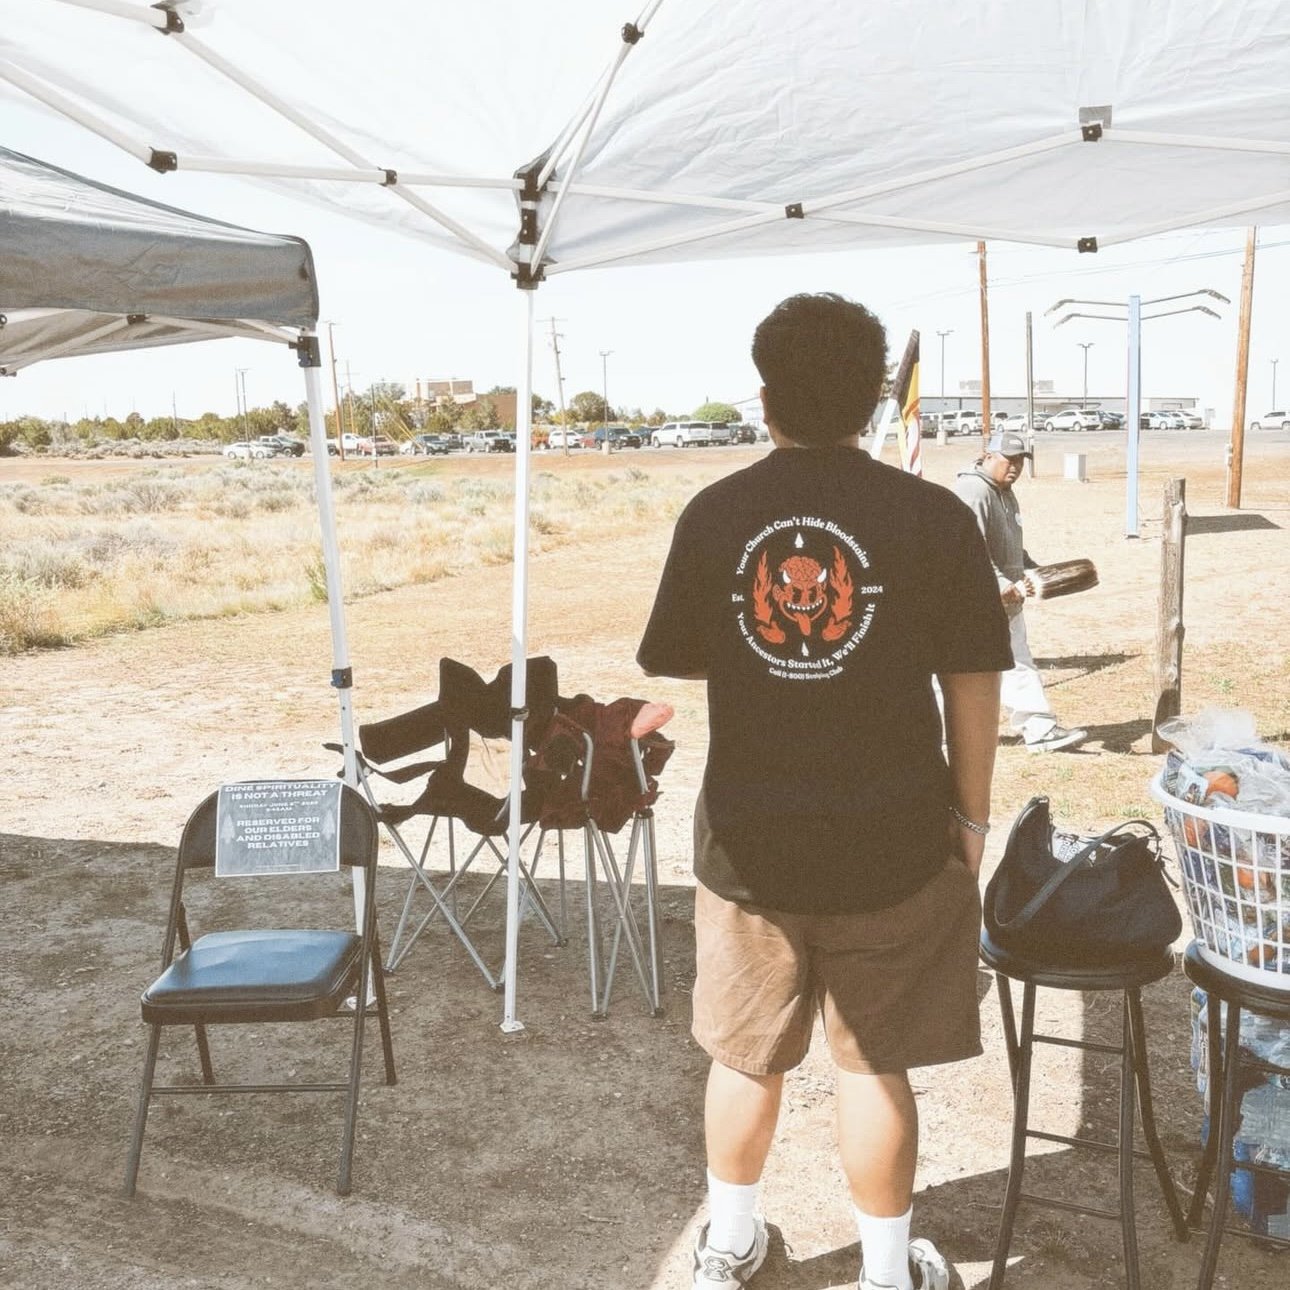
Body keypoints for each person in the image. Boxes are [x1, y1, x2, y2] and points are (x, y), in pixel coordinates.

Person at [637, 293, 1012, 1290]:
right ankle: (889, 1274)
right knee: (871, 1063)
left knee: (744, 1053)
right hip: (895, 840)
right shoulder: (934, 516)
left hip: (750, 843)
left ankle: (726, 1247)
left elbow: (680, 656)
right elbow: (975, 683)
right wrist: (971, 821)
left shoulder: (716, 513)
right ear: (877, 398)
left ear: (765, 399)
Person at [954, 433, 1087, 753]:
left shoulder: (1005, 492)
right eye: (1008, 459)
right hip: (977, 600)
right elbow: (970, 550)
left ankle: (1038, 728)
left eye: (1019, 461)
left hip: (1005, 600)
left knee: (1011, 663)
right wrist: (1002, 585)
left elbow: (1008, 546)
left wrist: (1032, 569)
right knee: (964, 670)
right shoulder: (974, 491)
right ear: (987, 455)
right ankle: (1036, 729)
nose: (1014, 467)